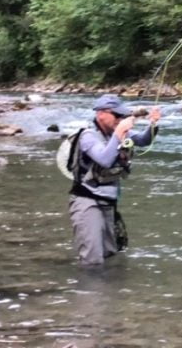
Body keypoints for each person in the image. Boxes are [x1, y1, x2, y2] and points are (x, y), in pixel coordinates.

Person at [69, 94, 160, 265]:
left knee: (111, 254)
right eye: (117, 115)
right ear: (101, 114)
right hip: (87, 201)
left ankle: (110, 290)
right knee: (92, 259)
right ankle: (91, 290)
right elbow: (104, 159)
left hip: (109, 202)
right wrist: (120, 132)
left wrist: (153, 124)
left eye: (122, 115)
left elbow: (144, 140)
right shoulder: (87, 136)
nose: (120, 119)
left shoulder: (118, 132)